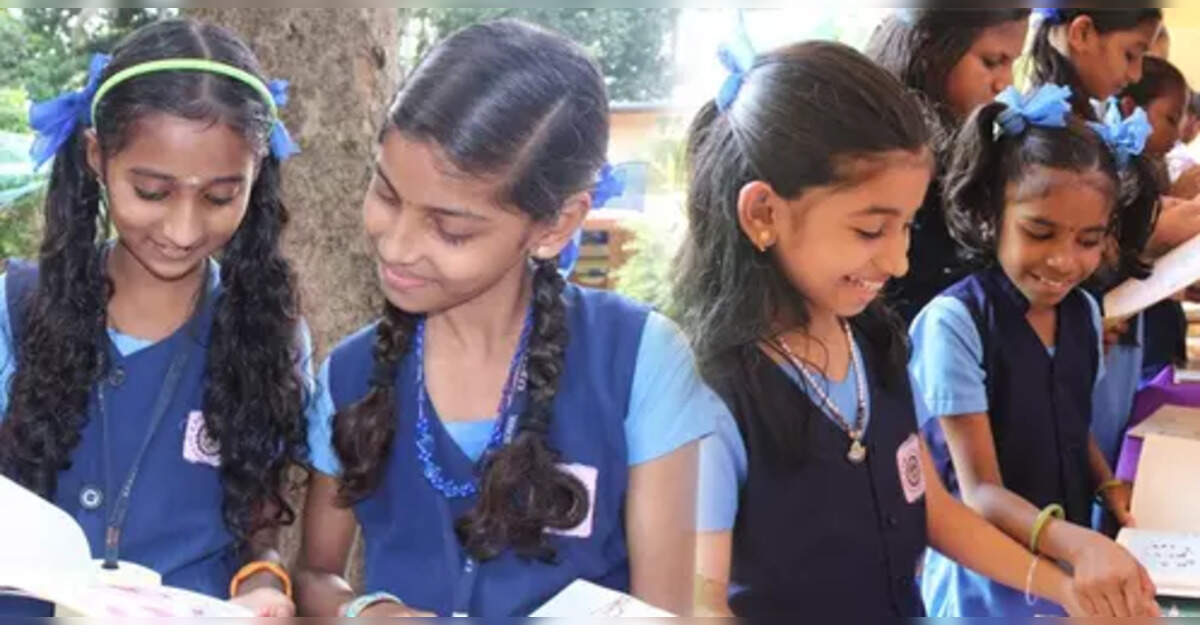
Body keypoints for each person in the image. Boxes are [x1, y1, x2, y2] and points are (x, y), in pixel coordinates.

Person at [295, 19, 716, 617]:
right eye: (386, 194)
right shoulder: (350, 374)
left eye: (450, 229)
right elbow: (315, 574)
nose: (397, 245)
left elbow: (662, 611)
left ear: (555, 225)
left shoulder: (637, 360)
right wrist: (364, 611)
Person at [0, 18, 309, 617]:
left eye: (220, 197)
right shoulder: (17, 310)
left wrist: (264, 584)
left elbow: (258, 526)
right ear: (97, 156)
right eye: (151, 191)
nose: (183, 230)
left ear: (256, 174)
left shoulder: (269, 333)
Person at [909, 83, 1160, 616]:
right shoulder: (956, 323)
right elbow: (980, 491)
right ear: (992, 215)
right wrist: (1076, 544)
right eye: (1039, 233)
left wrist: (1106, 483)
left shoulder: (1083, 311)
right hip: (985, 585)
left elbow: (1070, 422)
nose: (1064, 261)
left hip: (1067, 569)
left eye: (1088, 241)